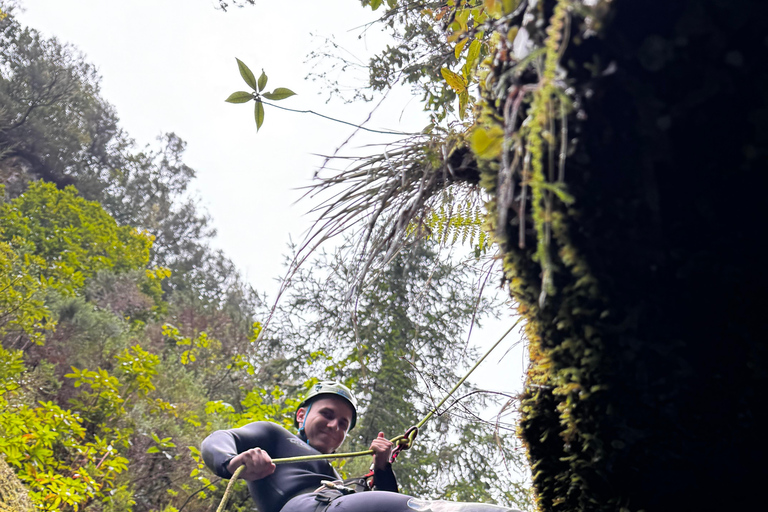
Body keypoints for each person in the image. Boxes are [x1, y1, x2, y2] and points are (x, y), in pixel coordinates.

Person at [201, 380, 518, 512]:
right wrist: (232, 462)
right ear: (302, 415)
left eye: (343, 424)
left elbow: (382, 501)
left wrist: (382, 468)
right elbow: (217, 440)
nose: (334, 426)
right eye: (327, 414)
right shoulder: (274, 437)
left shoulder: (331, 474)